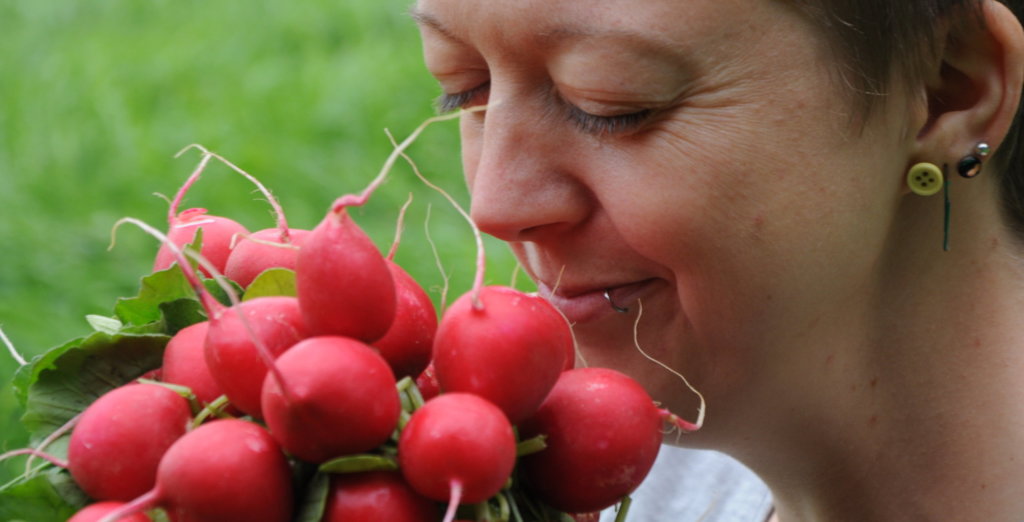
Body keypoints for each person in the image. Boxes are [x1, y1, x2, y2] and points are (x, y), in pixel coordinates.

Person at [412, 0, 1024, 520]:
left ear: (947, 88)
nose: (494, 203)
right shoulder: (616, 485)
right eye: (465, 92)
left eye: (611, 103)